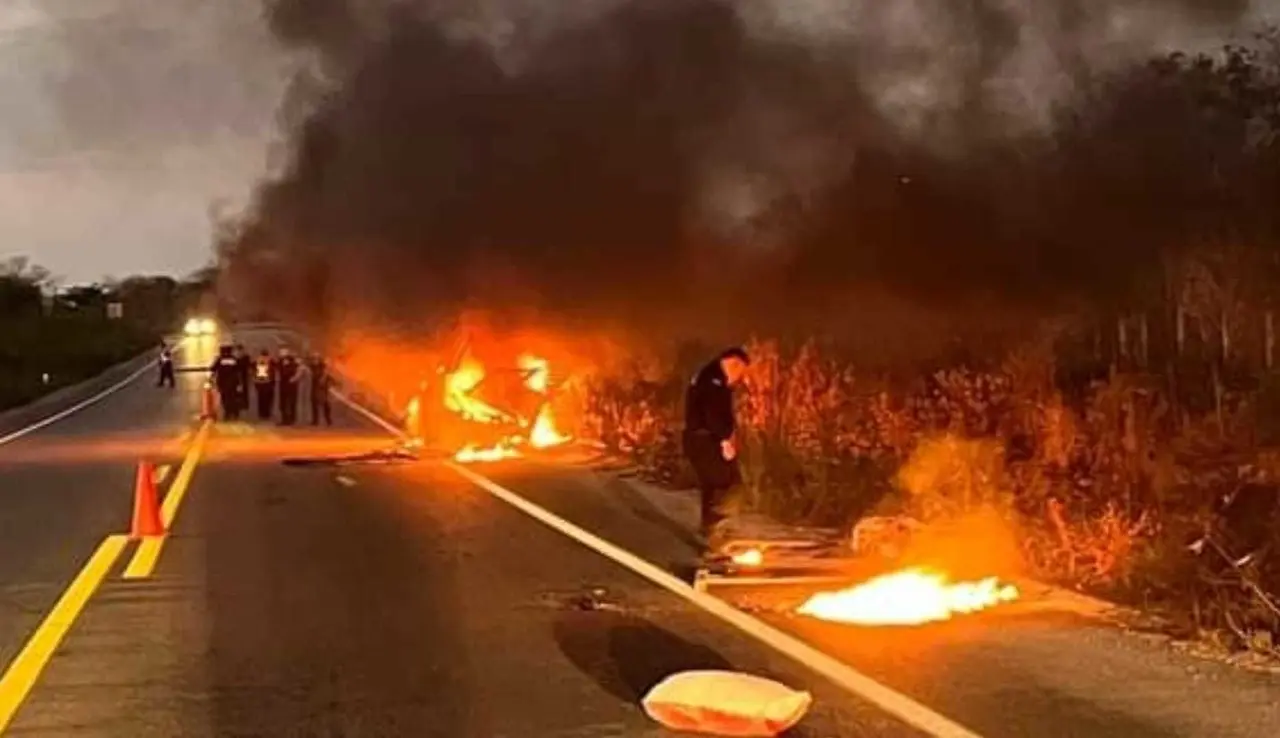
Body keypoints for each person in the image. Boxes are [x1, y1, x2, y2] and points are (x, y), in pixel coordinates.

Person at [682, 346, 750, 556]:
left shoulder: (709, 375)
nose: (739, 377)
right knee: (729, 484)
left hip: (700, 440)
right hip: (706, 441)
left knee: (712, 487)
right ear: (732, 363)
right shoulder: (713, 381)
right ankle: (718, 536)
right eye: (740, 371)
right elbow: (713, 414)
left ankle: (711, 537)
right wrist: (724, 441)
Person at [210, 345, 243, 421]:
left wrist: (211, 378)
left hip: (223, 382)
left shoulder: (220, 359)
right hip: (233, 382)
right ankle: (235, 413)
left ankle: (227, 413)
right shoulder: (234, 359)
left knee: (225, 398)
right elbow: (239, 369)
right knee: (233, 398)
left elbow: (213, 368)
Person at [306, 352, 334, 426]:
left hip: (322, 387)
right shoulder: (311, 367)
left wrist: (327, 381)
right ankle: (315, 421)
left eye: (316, 358)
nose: (315, 360)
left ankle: (328, 420)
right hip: (314, 386)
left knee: (325, 404)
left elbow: (328, 375)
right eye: (313, 358)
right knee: (314, 403)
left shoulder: (323, 367)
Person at [276, 347, 302, 426]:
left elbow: (296, 371)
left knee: (291, 403)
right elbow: (279, 370)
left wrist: (294, 378)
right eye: (280, 352)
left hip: (291, 385)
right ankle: (284, 419)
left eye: (283, 351)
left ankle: (291, 419)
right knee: (283, 403)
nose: (281, 353)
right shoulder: (280, 361)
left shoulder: (292, 361)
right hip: (283, 385)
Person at [252, 349, 278, 420]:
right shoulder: (270, 360)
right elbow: (276, 368)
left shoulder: (257, 360)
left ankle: (261, 413)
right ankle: (267, 413)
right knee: (268, 399)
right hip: (268, 382)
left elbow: (252, 369)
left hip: (259, 382)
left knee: (260, 399)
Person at [234, 344, 253, 417]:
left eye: (240, 351)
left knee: (244, 392)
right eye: (238, 351)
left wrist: (250, 373)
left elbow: (249, 367)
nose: (239, 353)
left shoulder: (246, 358)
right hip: (235, 378)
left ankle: (244, 406)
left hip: (244, 377)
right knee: (236, 393)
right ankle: (236, 408)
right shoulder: (234, 359)